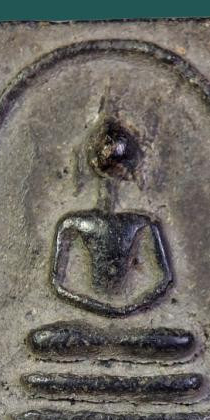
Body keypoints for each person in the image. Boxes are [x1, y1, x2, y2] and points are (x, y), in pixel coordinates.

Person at [51, 117, 172, 317]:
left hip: (130, 315)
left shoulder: (142, 223)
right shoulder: (72, 223)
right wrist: (108, 310)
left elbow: (165, 280)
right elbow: (58, 284)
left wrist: (127, 309)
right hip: (89, 318)